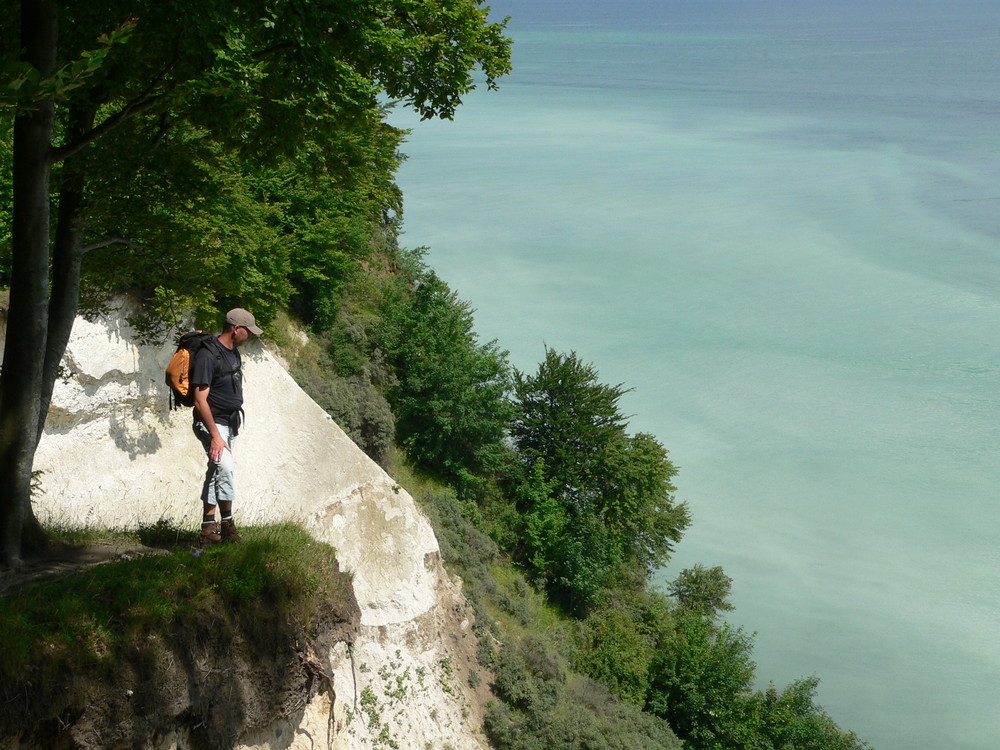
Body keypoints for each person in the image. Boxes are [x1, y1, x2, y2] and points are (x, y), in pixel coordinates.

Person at [191, 308, 262, 545]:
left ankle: (208, 529)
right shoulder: (208, 355)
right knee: (226, 468)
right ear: (236, 329)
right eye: (248, 331)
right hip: (213, 424)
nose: (250, 336)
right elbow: (200, 399)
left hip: (229, 423)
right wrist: (215, 436)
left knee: (216, 470)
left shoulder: (233, 353)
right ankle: (228, 525)